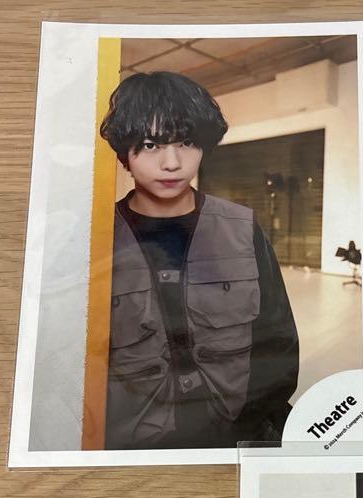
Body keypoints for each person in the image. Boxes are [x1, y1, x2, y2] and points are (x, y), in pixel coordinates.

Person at [98, 71, 298, 449]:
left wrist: (254, 422)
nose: (172, 162)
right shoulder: (97, 239)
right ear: (126, 152)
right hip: (137, 444)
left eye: (186, 142)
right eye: (151, 144)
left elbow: (277, 336)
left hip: (234, 434)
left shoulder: (242, 226)